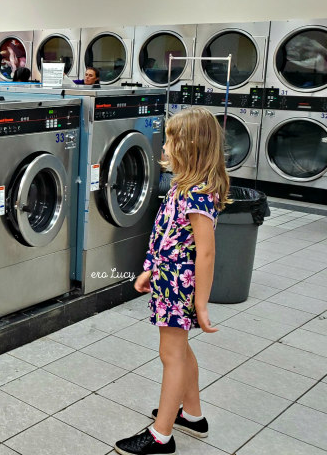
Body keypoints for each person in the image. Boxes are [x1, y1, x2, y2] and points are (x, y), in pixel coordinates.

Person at [115, 107, 230, 455]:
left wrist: (201, 304)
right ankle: (192, 415)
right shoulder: (184, 185)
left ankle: (161, 435)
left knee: (171, 354)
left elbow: (206, 253)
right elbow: (168, 235)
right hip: (168, 279)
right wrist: (151, 267)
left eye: (169, 140)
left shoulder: (197, 194)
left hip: (180, 285)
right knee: (180, 349)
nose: (163, 146)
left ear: (189, 146)